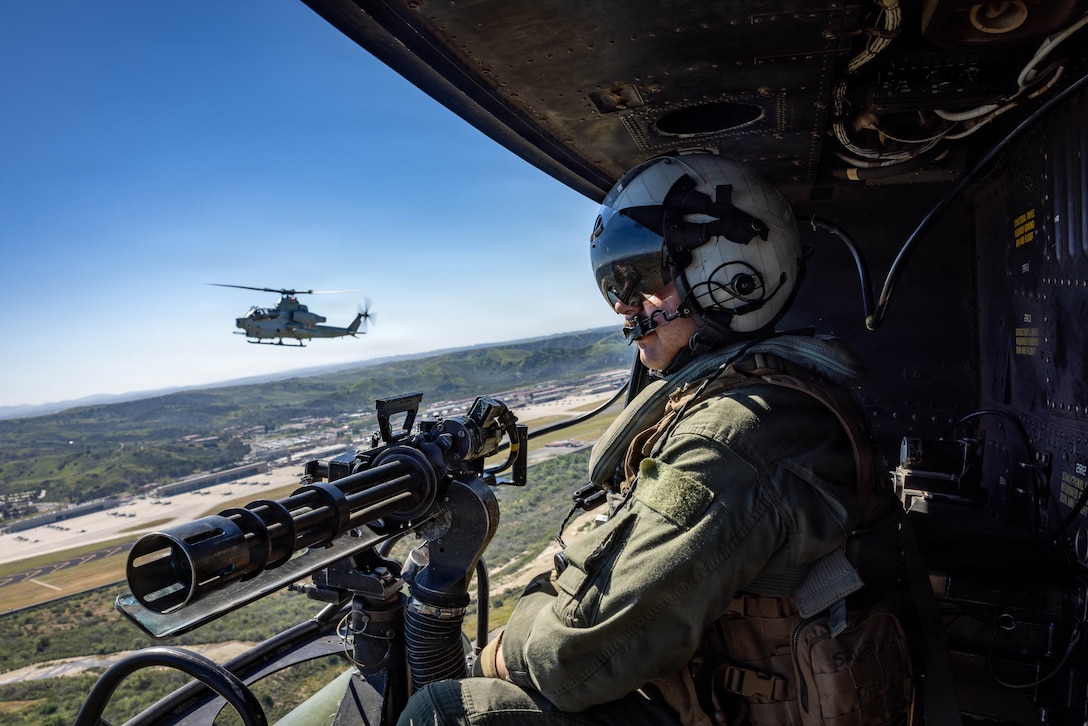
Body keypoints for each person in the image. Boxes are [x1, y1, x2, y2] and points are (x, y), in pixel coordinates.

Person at [397, 152, 912, 726]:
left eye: (639, 278)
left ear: (732, 275)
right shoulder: (768, 394)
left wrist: (504, 645)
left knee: (445, 712)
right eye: (612, 285)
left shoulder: (736, 433)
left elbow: (572, 661)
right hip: (731, 690)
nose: (622, 305)